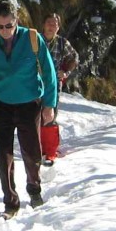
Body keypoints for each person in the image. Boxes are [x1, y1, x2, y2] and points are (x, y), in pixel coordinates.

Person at [0, 1, 58, 218]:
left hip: (29, 104)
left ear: (17, 21)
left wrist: (49, 104)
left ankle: (34, 188)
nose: (4, 31)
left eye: (9, 26)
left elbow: (49, 73)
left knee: (32, 152)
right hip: (1, 104)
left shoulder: (33, 39)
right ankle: (10, 201)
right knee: (4, 155)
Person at [39, 13, 79, 163]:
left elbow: (74, 57)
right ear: (43, 25)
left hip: (54, 83)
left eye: (55, 23)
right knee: (34, 115)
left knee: (50, 114)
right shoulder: (35, 40)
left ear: (58, 27)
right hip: (34, 83)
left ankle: (49, 150)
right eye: (49, 22)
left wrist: (66, 72)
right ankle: (37, 147)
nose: (51, 26)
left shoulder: (62, 43)